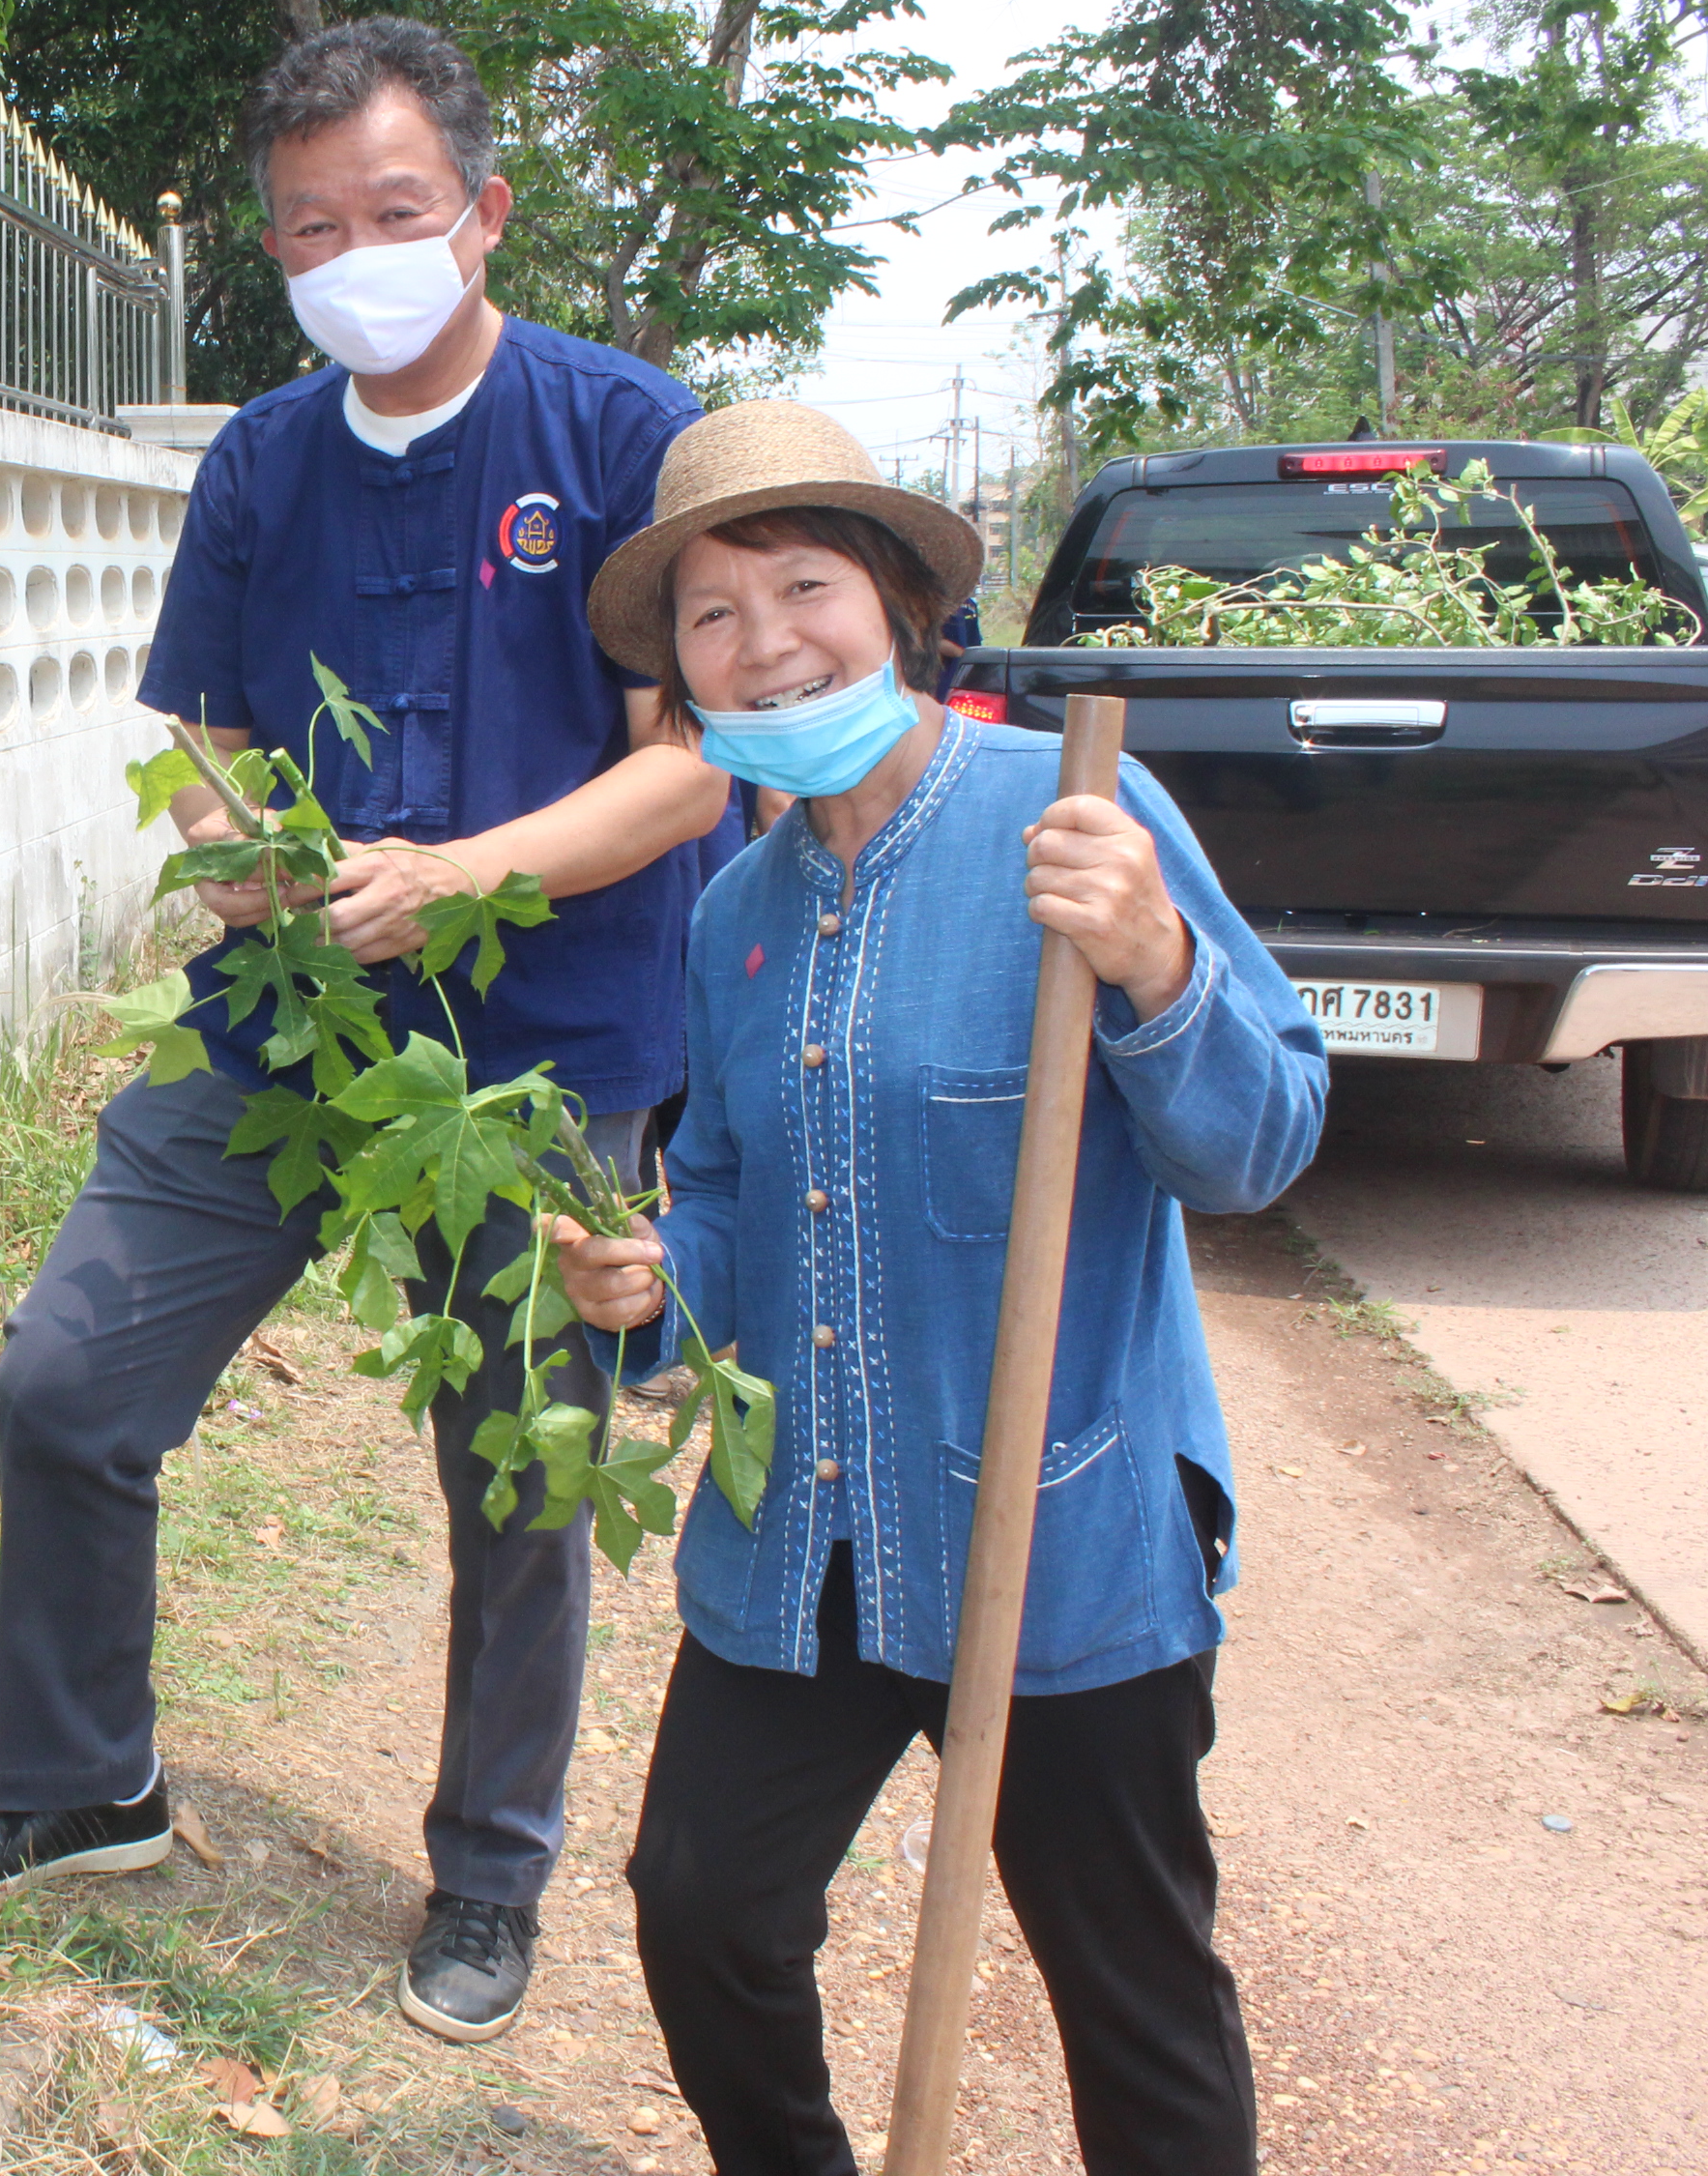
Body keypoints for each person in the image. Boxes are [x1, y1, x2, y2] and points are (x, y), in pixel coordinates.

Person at [0, 15, 730, 2047]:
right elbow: (199, 729)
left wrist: (463, 877)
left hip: (544, 1057)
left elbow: (694, 765)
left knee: (521, 1473)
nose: (355, 252)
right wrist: (237, 840)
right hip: (288, 1037)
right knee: (65, 1380)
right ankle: (80, 1782)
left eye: (396, 211)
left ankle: (494, 1875)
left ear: (483, 210)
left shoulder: (622, 436)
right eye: (308, 228)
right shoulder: (262, 462)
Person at [554, 398, 1327, 2175]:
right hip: (808, 1533)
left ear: (899, 604)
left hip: (1053, 1529)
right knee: (703, 1911)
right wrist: (658, 1279)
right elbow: (733, 1191)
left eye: (802, 586)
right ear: (677, 670)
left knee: (1130, 1993)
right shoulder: (729, 907)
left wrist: (1153, 963)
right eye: (711, 616)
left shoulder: (1080, 816)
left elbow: (1262, 1143)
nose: (763, 645)